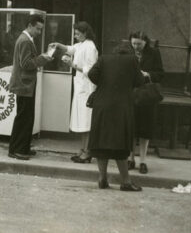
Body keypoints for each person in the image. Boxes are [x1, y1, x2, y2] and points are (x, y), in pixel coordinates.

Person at [87, 43, 145, 191]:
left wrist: (105, 83)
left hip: (102, 106)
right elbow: (140, 81)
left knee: (101, 143)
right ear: (129, 52)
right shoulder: (133, 60)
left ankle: (102, 179)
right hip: (121, 107)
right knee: (120, 144)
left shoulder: (104, 58)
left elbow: (92, 74)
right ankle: (125, 182)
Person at [51, 21, 99, 163]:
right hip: (80, 88)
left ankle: (87, 152)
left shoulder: (90, 47)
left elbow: (90, 70)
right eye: (75, 33)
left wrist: (71, 65)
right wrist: (58, 45)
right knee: (83, 122)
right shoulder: (82, 45)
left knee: (86, 122)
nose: (76, 36)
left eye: (78, 34)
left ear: (85, 33)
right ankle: (83, 150)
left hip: (87, 88)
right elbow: (71, 49)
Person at [8, 14, 53, 160]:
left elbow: (26, 62)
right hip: (24, 84)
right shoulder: (25, 41)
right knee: (24, 118)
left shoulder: (26, 39)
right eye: (38, 29)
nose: (39, 32)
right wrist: (43, 59)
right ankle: (17, 150)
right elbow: (26, 64)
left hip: (25, 84)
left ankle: (22, 147)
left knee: (26, 117)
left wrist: (42, 58)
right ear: (30, 26)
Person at [127, 31, 164, 174]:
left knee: (145, 129)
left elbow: (161, 74)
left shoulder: (154, 53)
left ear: (145, 42)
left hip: (147, 95)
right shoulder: (127, 53)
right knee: (131, 128)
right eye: (134, 43)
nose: (136, 46)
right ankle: (131, 159)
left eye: (139, 44)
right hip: (131, 94)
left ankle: (143, 161)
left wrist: (148, 74)